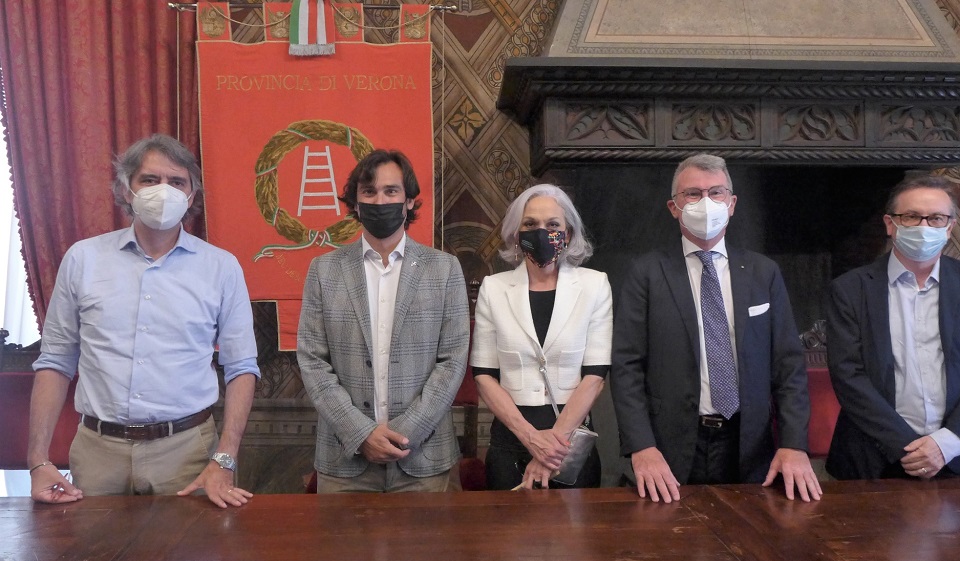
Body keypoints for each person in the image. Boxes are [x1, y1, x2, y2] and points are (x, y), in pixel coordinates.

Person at [27, 134, 260, 508]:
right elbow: (56, 361)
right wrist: (38, 460)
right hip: (96, 453)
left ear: (191, 196)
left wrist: (225, 458)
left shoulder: (221, 267)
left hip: (188, 453)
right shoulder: (83, 260)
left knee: (189, 548)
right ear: (126, 189)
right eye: (150, 180)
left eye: (177, 182)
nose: (163, 191)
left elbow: (241, 367)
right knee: (93, 547)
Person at [611, 153, 822, 503]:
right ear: (674, 207)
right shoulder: (646, 273)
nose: (706, 202)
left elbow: (788, 366)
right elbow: (626, 367)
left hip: (750, 443)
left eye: (716, 192)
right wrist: (641, 446)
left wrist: (793, 444)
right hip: (670, 447)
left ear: (732, 204)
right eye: (693, 194)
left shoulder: (763, 273)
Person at [297, 149, 469, 493]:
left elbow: (453, 360)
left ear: (409, 201)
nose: (380, 200)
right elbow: (312, 360)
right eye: (369, 192)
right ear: (356, 203)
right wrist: (361, 434)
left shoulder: (444, 268)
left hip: (423, 459)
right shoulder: (324, 270)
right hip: (345, 460)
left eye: (391, 191)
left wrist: (405, 433)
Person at [825, 175, 960, 480]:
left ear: (950, 227)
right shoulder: (850, 289)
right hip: (874, 460)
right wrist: (909, 448)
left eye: (936, 218)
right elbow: (848, 376)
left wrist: (945, 444)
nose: (924, 227)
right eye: (911, 216)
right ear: (890, 224)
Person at [470, 184, 612, 490]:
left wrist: (551, 447)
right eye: (531, 224)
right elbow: (483, 375)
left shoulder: (595, 285)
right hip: (511, 440)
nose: (542, 232)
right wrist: (532, 439)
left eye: (553, 225)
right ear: (516, 235)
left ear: (568, 234)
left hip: (570, 446)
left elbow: (596, 376)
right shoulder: (494, 288)